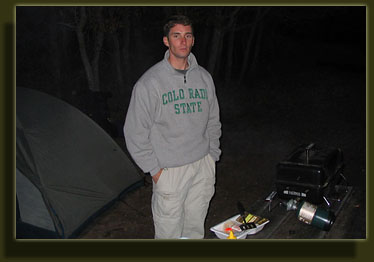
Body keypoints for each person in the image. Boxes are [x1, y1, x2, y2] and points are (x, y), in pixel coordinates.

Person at [124, 15, 221, 239]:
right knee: (169, 235)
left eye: (187, 36)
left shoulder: (204, 78)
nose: (183, 41)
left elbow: (213, 121)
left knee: (194, 230)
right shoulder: (150, 83)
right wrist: (156, 172)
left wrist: (212, 156)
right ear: (167, 41)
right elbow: (135, 132)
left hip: (202, 167)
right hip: (170, 172)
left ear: (193, 40)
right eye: (176, 36)